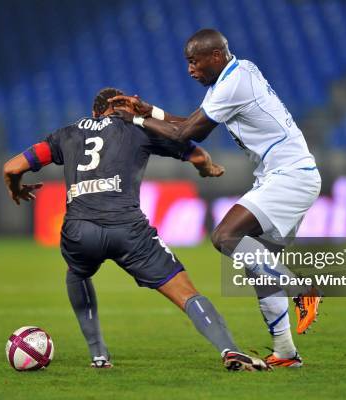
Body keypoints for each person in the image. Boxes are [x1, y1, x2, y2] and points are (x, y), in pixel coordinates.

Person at [2, 87, 268, 372]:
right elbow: (198, 154)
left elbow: (12, 167)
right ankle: (230, 350)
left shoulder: (66, 134)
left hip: (80, 231)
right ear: (121, 108)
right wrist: (207, 169)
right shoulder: (137, 128)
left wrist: (17, 190)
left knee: (77, 273)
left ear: (94, 112)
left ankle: (99, 355)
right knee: (186, 293)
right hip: (128, 230)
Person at [111, 29, 322, 368]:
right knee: (259, 267)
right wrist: (151, 111)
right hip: (285, 175)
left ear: (216, 56)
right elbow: (190, 123)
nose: (190, 69)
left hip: (290, 176)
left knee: (225, 236)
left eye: (194, 61)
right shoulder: (238, 73)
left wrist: (136, 119)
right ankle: (285, 353)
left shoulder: (233, 83)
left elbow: (183, 135)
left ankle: (301, 291)